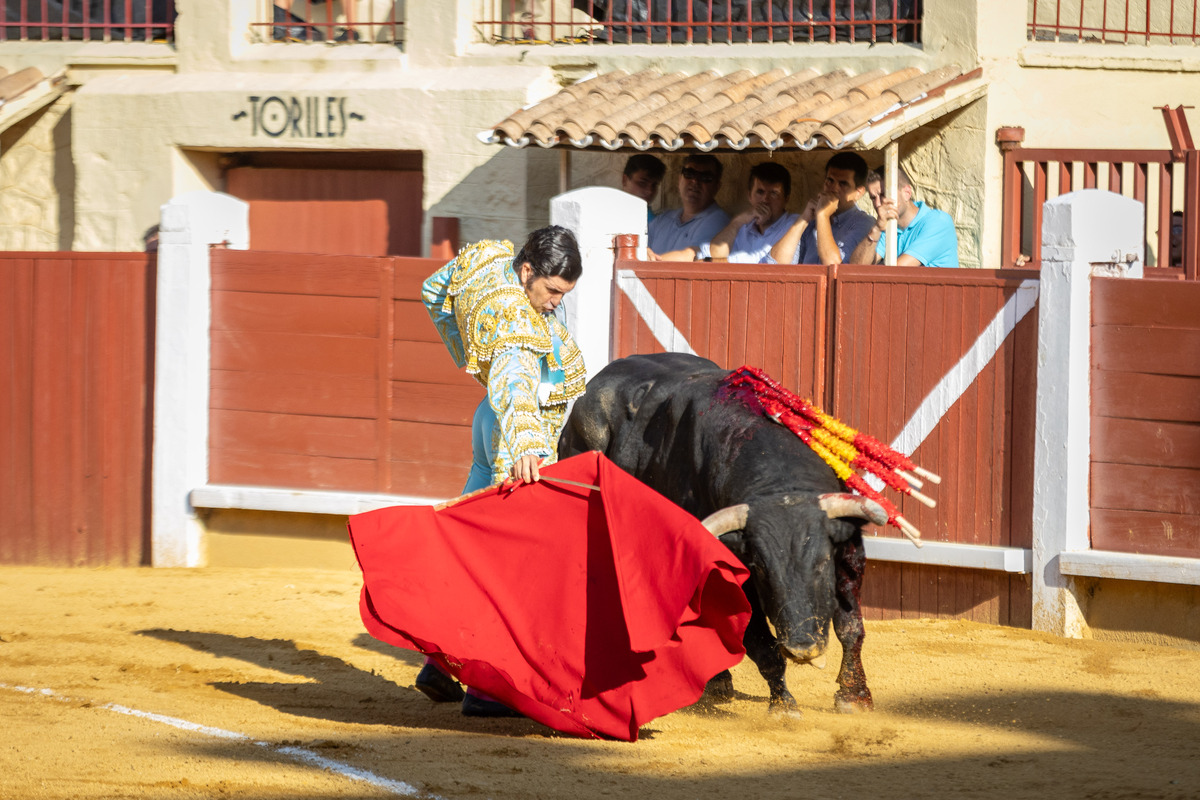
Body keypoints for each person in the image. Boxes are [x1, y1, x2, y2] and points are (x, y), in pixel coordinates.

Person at [416, 225, 588, 716]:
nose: (555, 302)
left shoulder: (491, 267)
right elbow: (516, 384)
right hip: (514, 438)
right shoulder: (517, 319)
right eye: (552, 291)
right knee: (510, 568)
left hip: (487, 421)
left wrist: (471, 361)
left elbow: (434, 290)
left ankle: (439, 663)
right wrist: (529, 447)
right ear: (528, 271)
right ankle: (488, 691)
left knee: (471, 549)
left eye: (564, 295)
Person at [768, 152, 877, 265]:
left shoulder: (864, 223)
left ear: (858, 192)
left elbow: (835, 268)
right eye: (830, 180)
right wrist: (804, 219)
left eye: (843, 184)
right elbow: (774, 263)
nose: (834, 188)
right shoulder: (811, 221)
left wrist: (823, 216)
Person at [849, 166, 959, 268]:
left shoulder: (938, 222)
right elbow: (856, 268)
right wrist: (876, 229)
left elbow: (898, 272)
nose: (877, 204)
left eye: (883, 195)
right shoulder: (887, 224)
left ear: (907, 193)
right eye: (873, 198)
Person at [699, 162, 798, 263]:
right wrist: (739, 221)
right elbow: (713, 253)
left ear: (786, 199)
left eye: (773, 193)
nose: (765, 199)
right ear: (749, 196)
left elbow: (765, 264)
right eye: (760, 192)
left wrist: (719, 261)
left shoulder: (793, 225)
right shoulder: (743, 228)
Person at [647, 154, 730, 260]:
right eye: (689, 174)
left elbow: (692, 256)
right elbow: (638, 247)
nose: (695, 181)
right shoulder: (663, 219)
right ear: (679, 179)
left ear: (717, 187)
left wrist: (651, 262)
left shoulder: (718, 221)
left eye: (705, 177)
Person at [621, 153, 666, 221]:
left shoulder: (656, 225)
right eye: (642, 183)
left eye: (654, 185)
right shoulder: (604, 214)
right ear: (625, 180)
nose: (650, 191)